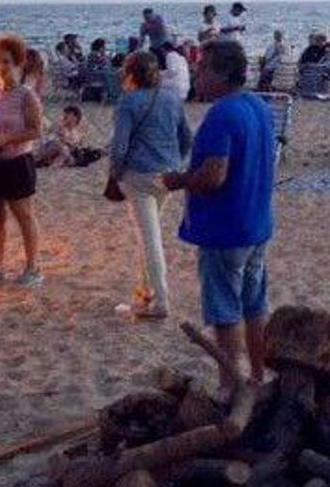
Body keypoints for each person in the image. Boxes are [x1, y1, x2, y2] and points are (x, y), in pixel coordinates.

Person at [163, 39, 275, 395]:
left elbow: (214, 175)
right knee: (254, 304)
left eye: (202, 68)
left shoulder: (222, 113)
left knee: (226, 311)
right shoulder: (258, 106)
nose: (196, 74)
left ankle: (231, 387)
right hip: (255, 223)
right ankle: (257, 376)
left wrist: (178, 180)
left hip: (225, 228)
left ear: (223, 72)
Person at [110, 52, 192, 320]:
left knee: (150, 239)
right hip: (166, 175)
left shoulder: (128, 102)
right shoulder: (171, 99)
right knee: (150, 234)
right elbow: (186, 137)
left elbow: (119, 146)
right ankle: (145, 293)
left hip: (139, 176)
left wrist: (114, 174)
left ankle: (160, 302)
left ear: (129, 73)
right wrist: (175, 161)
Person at [0, 34, 44, 287]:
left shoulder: (26, 95)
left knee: (24, 215)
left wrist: (7, 139)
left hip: (18, 162)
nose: (1, 67)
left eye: (6, 62)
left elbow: (36, 130)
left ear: (18, 64)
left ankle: (32, 268)